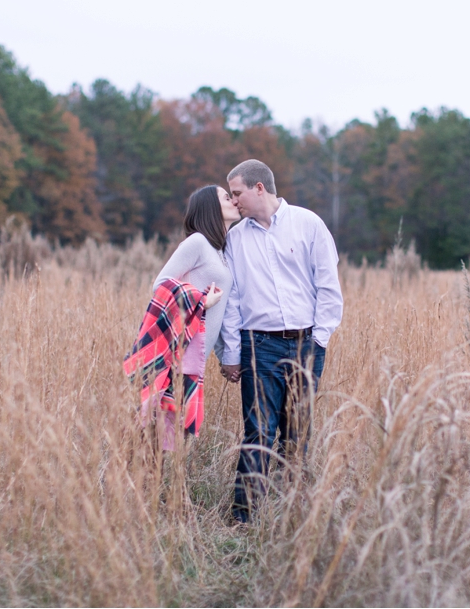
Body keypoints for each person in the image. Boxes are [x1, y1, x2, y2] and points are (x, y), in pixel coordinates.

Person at [219, 159, 344, 523]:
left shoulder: (308, 224)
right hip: (259, 346)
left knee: (297, 431)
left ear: (260, 188)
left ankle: (293, 512)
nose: (234, 200)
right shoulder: (235, 240)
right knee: (258, 430)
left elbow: (328, 286)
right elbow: (233, 301)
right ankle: (244, 519)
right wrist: (232, 353)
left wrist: (319, 339)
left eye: (237, 192)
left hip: (307, 344)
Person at [125, 185, 240, 451]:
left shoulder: (220, 251)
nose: (233, 200)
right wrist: (201, 299)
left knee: (173, 433)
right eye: (226, 197)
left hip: (194, 357)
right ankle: (149, 487)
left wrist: (226, 357)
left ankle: (161, 488)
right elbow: (161, 283)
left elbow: (219, 313)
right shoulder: (197, 242)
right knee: (162, 431)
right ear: (211, 207)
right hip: (179, 351)